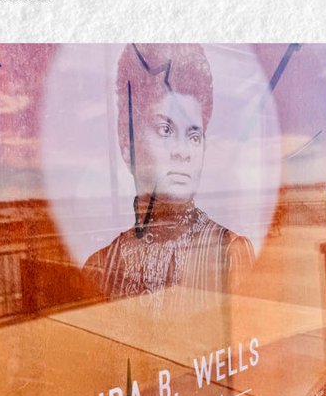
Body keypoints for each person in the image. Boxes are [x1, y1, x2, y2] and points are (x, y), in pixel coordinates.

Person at [84, 44, 254, 301]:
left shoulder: (228, 253)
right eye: (165, 130)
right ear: (127, 144)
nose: (183, 151)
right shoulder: (100, 266)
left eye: (194, 135)